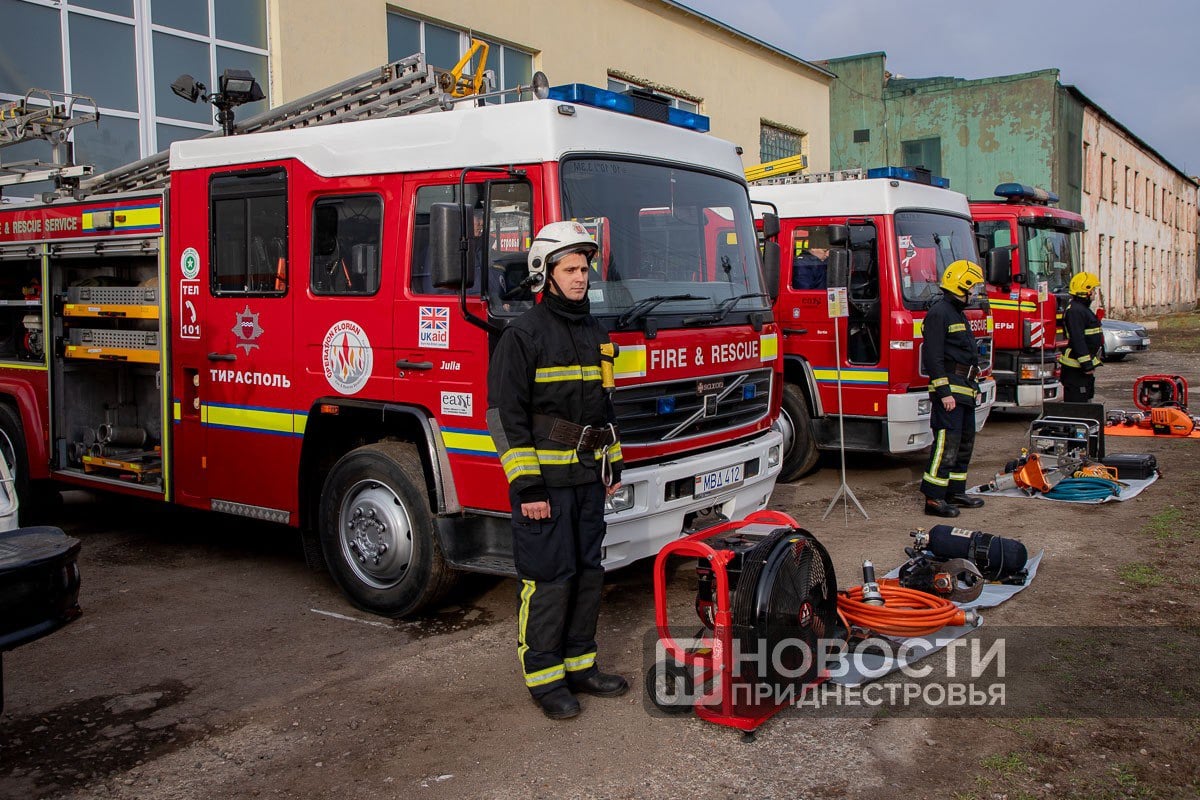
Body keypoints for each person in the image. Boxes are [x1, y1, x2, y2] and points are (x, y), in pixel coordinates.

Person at [486, 220, 628, 720]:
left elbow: (604, 409)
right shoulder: (523, 335)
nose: (579, 276)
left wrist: (612, 460)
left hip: (588, 481)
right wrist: (527, 487)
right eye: (569, 268)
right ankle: (545, 681)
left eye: (584, 267)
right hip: (544, 486)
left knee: (589, 575)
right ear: (544, 274)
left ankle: (580, 665)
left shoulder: (594, 331)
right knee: (549, 581)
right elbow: (503, 418)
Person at [920, 259, 987, 518]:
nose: (975, 294)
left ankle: (955, 491)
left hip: (965, 387)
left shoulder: (957, 313)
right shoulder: (940, 313)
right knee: (946, 443)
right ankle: (934, 498)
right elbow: (933, 357)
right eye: (973, 288)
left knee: (964, 441)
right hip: (950, 388)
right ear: (962, 286)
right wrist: (944, 392)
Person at [1059, 272, 1104, 403]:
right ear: (1086, 291)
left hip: (1081, 369)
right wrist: (1087, 365)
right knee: (1077, 405)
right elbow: (1078, 340)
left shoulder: (1081, 309)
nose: (1095, 294)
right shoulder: (1075, 311)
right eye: (1093, 290)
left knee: (1085, 400)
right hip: (1076, 369)